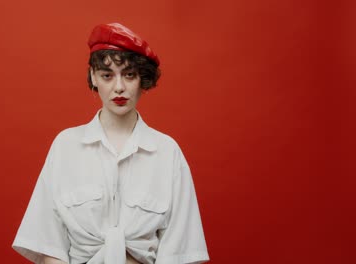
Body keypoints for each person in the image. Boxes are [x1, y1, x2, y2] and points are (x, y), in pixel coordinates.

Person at [12, 23, 209, 264]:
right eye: (107, 75)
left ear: (142, 80)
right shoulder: (66, 146)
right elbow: (47, 242)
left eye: (129, 75)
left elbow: (182, 251)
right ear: (93, 77)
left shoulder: (167, 152)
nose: (119, 87)